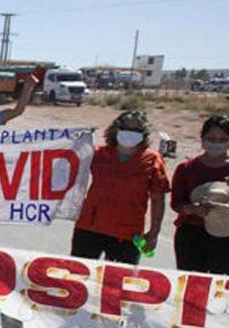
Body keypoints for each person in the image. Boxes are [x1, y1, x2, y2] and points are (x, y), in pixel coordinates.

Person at [72, 110, 168, 265]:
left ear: (144, 134)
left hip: (127, 233)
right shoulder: (97, 153)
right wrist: (77, 141)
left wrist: (154, 232)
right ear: (116, 129)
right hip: (89, 227)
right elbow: (67, 167)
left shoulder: (152, 160)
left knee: (120, 279)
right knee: (79, 273)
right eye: (126, 128)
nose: (130, 133)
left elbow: (158, 198)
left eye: (136, 130)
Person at [171, 115, 229, 274]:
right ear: (202, 138)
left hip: (228, 234)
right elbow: (176, 203)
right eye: (211, 138)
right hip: (191, 234)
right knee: (191, 284)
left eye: (223, 139)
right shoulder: (186, 168)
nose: (216, 143)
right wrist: (192, 209)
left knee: (219, 285)